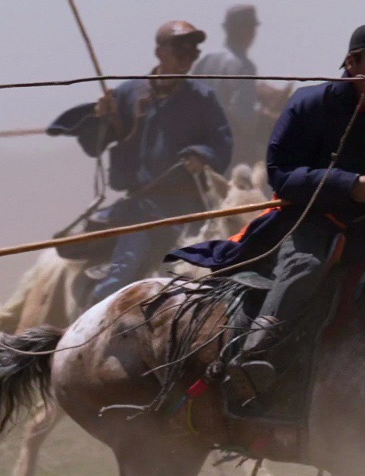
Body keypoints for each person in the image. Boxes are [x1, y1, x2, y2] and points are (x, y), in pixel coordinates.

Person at [172, 22, 365, 399]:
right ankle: (249, 359)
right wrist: (347, 184)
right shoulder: (310, 103)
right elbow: (280, 173)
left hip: (356, 232)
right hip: (302, 222)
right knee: (306, 268)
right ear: (352, 61)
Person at [56, 21, 233, 303]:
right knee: (121, 276)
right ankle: (87, 333)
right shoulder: (128, 93)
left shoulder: (203, 97)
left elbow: (222, 143)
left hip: (187, 210)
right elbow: (95, 146)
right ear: (159, 51)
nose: (187, 57)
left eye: (192, 52)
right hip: (139, 210)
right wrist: (102, 118)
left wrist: (202, 154)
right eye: (180, 50)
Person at [190, 4, 272, 165]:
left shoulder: (206, 60)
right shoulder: (243, 65)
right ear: (246, 31)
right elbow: (243, 117)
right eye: (251, 28)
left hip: (200, 145)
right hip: (231, 150)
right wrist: (265, 117)